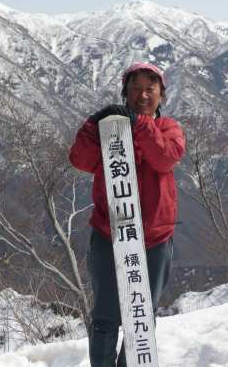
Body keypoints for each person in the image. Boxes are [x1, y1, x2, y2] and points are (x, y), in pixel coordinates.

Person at [69, 62, 185, 367]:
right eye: (135, 88)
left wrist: (139, 124)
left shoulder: (168, 128)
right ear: (125, 92)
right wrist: (93, 124)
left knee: (142, 316)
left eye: (150, 88)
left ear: (162, 95)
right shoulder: (110, 132)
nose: (142, 95)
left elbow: (165, 158)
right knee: (106, 316)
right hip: (109, 234)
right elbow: (80, 159)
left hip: (155, 239)